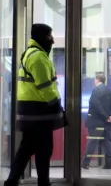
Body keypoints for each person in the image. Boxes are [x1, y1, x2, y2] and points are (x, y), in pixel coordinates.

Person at [6, 24, 66, 186]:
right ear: (40, 37)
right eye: (49, 36)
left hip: (31, 111)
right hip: (39, 112)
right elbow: (45, 87)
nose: (52, 40)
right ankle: (41, 182)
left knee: (27, 148)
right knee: (43, 149)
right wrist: (57, 105)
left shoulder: (29, 54)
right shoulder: (38, 57)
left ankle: (13, 181)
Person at [82, 72, 111, 169]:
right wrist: (110, 116)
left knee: (92, 141)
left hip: (96, 121)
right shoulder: (110, 91)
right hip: (107, 122)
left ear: (97, 79)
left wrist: (106, 116)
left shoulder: (96, 90)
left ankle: (85, 162)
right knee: (107, 142)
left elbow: (96, 105)